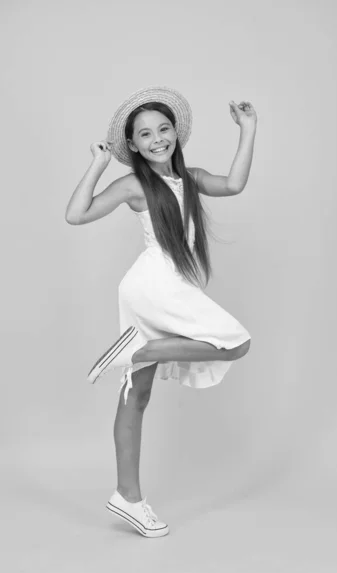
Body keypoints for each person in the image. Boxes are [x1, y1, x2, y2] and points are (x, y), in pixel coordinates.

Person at [65, 86, 257, 538]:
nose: (157, 140)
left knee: (138, 395)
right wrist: (97, 164)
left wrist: (248, 128)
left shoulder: (189, 178)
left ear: (175, 132)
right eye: (145, 134)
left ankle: (126, 497)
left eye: (163, 129)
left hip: (159, 287)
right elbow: (77, 215)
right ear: (131, 144)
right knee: (235, 342)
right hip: (154, 285)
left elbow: (233, 184)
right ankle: (137, 350)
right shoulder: (134, 184)